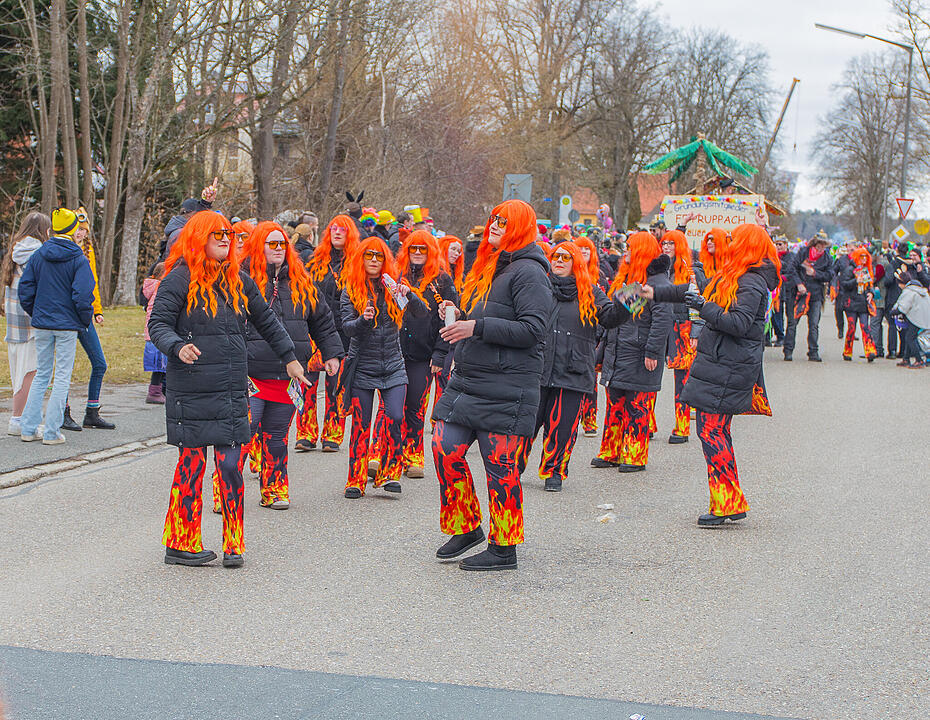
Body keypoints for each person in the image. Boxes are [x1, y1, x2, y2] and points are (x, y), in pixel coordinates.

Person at [148, 210, 309, 568]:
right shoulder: (178, 278)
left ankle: (234, 542)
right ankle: (181, 542)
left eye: (228, 234)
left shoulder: (239, 278)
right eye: (216, 234)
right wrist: (177, 345)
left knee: (231, 464)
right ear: (198, 237)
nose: (225, 239)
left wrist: (290, 358)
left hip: (231, 389)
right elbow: (158, 324)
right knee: (190, 467)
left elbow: (267, 320)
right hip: (190, 390)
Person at [431, 199, 555, 571]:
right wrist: (457, 314)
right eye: (493, 219)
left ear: (520, 226)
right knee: (443, 446)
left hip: (509, 385)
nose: (495, 225)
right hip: (470, 380)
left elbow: (534, 330)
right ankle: (467, 526)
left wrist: (476, 327)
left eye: (504, 220)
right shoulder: (490, 265)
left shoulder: (531, 272)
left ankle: (504, 547)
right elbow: (486, 316)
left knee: (500, 468)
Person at [643, 223, 780, 526]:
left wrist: (704, 308)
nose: (728, 243)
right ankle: (727, 500)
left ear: (747, 245)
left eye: (734, 239)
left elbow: (738, 323)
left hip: (730, 365)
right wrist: (655, 292)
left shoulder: (752, 281)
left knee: (712, 431)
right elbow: (695, 291)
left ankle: (728, 502)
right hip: (722, 363)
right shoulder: (734, 274)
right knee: (712, 431)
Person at [240, 222, 343, 508]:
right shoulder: (242, 280)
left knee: (276, 437)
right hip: (251, 375)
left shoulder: (301, 281)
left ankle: (275, 489)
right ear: (258, 246)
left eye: (282, 244)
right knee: (244, 437)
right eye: (271, 244)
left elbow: (322, 320)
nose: (278, 249)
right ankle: (226, 490)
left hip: (288, 376)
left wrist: (332, 353)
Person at [527, 241, 628, 491]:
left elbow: (611, 317)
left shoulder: (590, 292)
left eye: (565, 257)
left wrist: (631, 299)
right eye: (555, 256)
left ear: (576, 262)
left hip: (572, 371)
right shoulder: (538, 288)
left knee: (562, 428)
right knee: (525, 424)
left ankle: (554, 472)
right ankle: (512, 467)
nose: (559, 260)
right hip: (536, 368)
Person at [340, 236, 427, 498]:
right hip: (362, 367)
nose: (374, 261)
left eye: (379, 256)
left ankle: (389, 473)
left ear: (385, 260)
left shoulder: (393, 287)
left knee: (395, 417)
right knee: (361, 424)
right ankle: (355, 479)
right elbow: (346, 327)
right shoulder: (350, 290)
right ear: (361, 259)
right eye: (369, 256)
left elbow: (422, 313)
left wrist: (409, 294)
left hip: (393, 365)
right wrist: (363, 320)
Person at [591, 232, 672, 472]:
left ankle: (634, 455)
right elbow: (615, 316)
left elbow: (661, 321)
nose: (625, 251)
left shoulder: (656, 285)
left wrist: (652, 352)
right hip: (619, 350)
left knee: (638, 406)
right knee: (615, 403)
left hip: (639, 353)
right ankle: (611, 451)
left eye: (630, 247)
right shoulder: (631, 280)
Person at [17, 209, 96, 445]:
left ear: (52, 230)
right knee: (61, 377)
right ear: (73, 230)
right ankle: (51, 433)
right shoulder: (78, 259)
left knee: (42, 374)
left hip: (42, 323)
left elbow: (25, 289)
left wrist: (37, 313)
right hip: (66, 325)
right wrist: (83, 320)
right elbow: (83, 295)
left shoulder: (39, 255)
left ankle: (28, 429)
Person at [392, 230, 457, 478]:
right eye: (413, 249)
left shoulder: (442, 281)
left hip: (424, 353)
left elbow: (448, 320)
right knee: (392, 408)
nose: (417, 254)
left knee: (415, 407)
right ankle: (389, 454)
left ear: (431, 252)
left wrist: (440, 354)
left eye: (422, 249)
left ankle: (413, 455)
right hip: (394, 352)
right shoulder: (397, 276)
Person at [305, 215, 360, 451]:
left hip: (342, 332)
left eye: (343, 229)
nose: (337, 232)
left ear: (351, 234)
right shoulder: (315, 261)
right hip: (313, 331)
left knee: (335, 387)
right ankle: (306, 433)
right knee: (307, 385)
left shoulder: (357, 263)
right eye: (334, 228)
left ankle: (333, 434)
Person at [61, 207, 115, 431]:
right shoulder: (64, 251)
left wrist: (97, 310)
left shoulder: (88, 251)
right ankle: (62, 412)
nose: (81, 233)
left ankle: (92, 412)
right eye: (78, 229)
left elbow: (90, 284)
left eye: (84, 230)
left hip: (85, 316)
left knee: (100, 363)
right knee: (66, 366)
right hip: (67, 316)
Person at [2, 211, 50, 436]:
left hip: (13, 323)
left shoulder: (14, 251)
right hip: (32, 323)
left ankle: (18, 418)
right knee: (31, 373)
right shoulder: (40, 254)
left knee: (18, 374)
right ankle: (20, 420)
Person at [662, 229, 704, 444]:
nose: (667, 246)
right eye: (664, 243)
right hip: (657, 328)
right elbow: (635, 298)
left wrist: (696, 332)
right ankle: (647, 424)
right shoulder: (656, 269)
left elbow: (697, 306)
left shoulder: (690, 273)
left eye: (671, 243)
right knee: (647, 375)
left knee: (682, 380)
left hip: (682, 329)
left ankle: (682, 426)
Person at [783, 232, 832, 362]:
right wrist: (799, 284)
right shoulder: (803, 252)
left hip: (816, 294)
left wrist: (815, 273)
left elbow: (829, 275)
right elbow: (792, 268)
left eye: (823, 245)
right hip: (798, 293)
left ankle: (813, 352)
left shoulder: (827, 258)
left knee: (814, 324)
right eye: (819, 245)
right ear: (814, 244)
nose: (821, 248)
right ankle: (788, 350)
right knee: (792, 323)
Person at [839, 247, 878, 362]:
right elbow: (844, 284)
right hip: (851, 303)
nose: (864, 259)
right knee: (851, 328)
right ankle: (847, 351)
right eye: (862, 256)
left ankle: (870, 351)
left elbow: (870, 285)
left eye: (866, 256)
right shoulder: (849, 269)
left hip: (863, 304)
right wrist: (856, 280)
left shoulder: (867, 269)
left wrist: (871, 293)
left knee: (865, 327)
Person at [891, 269, 930, 368]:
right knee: (909, 336)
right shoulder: (919, 289)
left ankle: (919, 360)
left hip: (916, 318)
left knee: (910, 338)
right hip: (924, 316)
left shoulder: (909, 291)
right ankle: (906, 358)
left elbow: (903, 307)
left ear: (901, 283)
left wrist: (893, 312)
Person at [141, 262, 168, 403]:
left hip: (153, 330)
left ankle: (162, 390)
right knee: (159, 364)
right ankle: (155, 392)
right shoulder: (160, 288)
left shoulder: (153, 287)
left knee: (163, 364)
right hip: (156, 331)